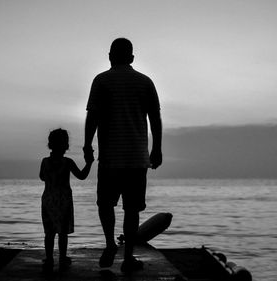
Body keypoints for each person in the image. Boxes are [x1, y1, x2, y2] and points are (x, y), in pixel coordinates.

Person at [83, 38, 162, 273]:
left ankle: (109, 244)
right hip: (137, 158)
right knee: (132, 209)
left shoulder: (101, 81)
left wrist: (87, 145)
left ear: (109, 56)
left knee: (105, 204)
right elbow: (155, 119)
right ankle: (128, 258)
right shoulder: (145, 82)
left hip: (110, 158)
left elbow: (92, 117)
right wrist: (156, 148)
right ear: (132, 58)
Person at [39, 128, 93, 273]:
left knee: (49, 232)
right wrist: (89, 163)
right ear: (66, 146)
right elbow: (82, 176)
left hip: (49, 199)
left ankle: (49, 259)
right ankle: (62, 258)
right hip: (64, 200)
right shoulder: (67, 162)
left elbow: (42, 177)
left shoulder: (45, 162)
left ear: (50, 144)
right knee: (62, 232)